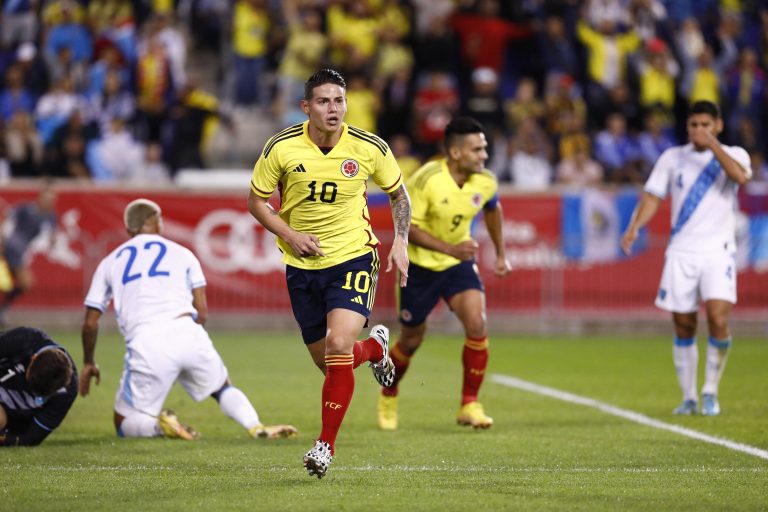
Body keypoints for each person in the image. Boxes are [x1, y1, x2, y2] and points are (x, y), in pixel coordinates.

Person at [248, 68, 411, 479]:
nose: (333, 109)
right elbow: (256, 202)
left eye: (339, 100)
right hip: (301, 266)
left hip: (353, 256)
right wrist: (291, 234)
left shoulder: (368, 146)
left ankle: (324, 446)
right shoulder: (282, 147)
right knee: (332, 364)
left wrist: (403, 243)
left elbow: (398, 194)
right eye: (323, 101)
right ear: (306, 107)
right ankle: (374, 349)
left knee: (339, 343)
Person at [79, 198, 298, 441]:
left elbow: (90, 322)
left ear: (129, 229)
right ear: (159, 224)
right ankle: (256, 426)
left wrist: (89, 361)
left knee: (123, 422)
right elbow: (201, 312)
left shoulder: (110, 262)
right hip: (187, 331)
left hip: (148, 341)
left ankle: (161, 427)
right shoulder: (183, 254)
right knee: (223, 387)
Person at [377, 116, 511, 431]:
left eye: (484, 149)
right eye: (476, 150)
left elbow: (493, 208)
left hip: (457, 266)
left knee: (477, 324)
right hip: (420, 267)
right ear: (455, 153)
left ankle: (470, 404)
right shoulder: (425, 179)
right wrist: (451, 249)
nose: (483, 155)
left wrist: (501, 253)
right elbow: (408, 226)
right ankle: (389, 392)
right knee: (411, 340)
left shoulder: (485, 181)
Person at [620, 101, 752, 417]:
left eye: (706, 124)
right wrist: (635, 226)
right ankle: (689, 396)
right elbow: (653, 195)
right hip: (681, 251)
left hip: (718, 251)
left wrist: (714, 147)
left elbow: (741, 177)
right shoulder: (672, 157)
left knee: (718, 319)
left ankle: (710, 391)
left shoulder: (734, 153)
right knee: (683, 324)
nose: (699, 130)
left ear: (718, 126)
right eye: (694, 125)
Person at [0, 326, 77, 447]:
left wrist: (3, 439)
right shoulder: (24, 340)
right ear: (33, 358)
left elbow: (30, 439)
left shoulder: (67, 392)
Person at [0, 180, 57, 327]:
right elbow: (8, 220)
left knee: (12, 283)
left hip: (21, 251)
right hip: (12, 247)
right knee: (25, 282)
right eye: (47, 198)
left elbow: (52, 235)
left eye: (52, 199)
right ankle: (3, 309)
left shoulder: (50, 216)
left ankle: (3, 308)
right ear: (40, 198)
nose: (49, 202)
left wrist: (53, 239)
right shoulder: (26, 209)